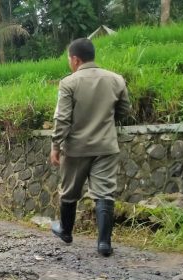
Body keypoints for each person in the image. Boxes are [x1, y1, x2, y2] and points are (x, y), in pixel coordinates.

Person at [49, 38, 131, 257]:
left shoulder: (69, 83)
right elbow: (124, 111)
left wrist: (56, 146)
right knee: (105, 192)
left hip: (76, 148)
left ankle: (66, 231)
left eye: (69, 59)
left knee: (69, 191)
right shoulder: (116, 79)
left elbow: (63, 119)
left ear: (75, 59)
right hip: (106, 146)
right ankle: (104, 244)